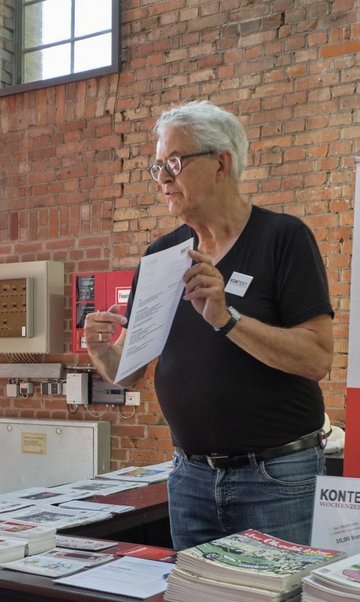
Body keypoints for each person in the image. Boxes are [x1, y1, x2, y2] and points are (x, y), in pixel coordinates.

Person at [84, 100, 334, 550]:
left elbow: (317, 358)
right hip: (190, 477)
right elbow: (130, 371)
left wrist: (227, 318)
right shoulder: (162, 255)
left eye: (174, 163)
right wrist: (103, 351)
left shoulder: (283, 239)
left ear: (222, 163)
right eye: (157, 165)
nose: (162, 178)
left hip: (276, 478)